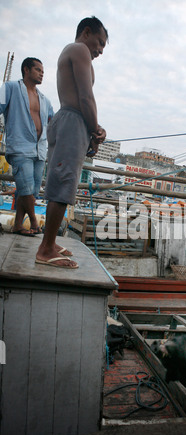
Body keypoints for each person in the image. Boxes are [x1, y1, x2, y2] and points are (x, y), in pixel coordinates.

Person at [35, 16, 108, 269]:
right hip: (72, 120)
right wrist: (96, 129)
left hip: (71, 121)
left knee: (62, 182)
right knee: (64, 184)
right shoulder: (79, 49)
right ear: (86, 32)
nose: (100, 50)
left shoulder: (76, 52)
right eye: (99, 42)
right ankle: (45, 250)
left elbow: (88, 97)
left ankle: (50, 242)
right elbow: (86, 97)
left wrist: (94, 131)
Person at [0, 57, 54, 236]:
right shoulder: (10, 88)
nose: (41, 74)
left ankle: (17, 225)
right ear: (26, 70)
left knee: (31, 191)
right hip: (20, 146)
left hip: (40, 150)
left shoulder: (45, 100)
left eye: (43, 71)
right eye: (38, 70)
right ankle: (34, 222)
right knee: (25, 188)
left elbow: (53, 122)